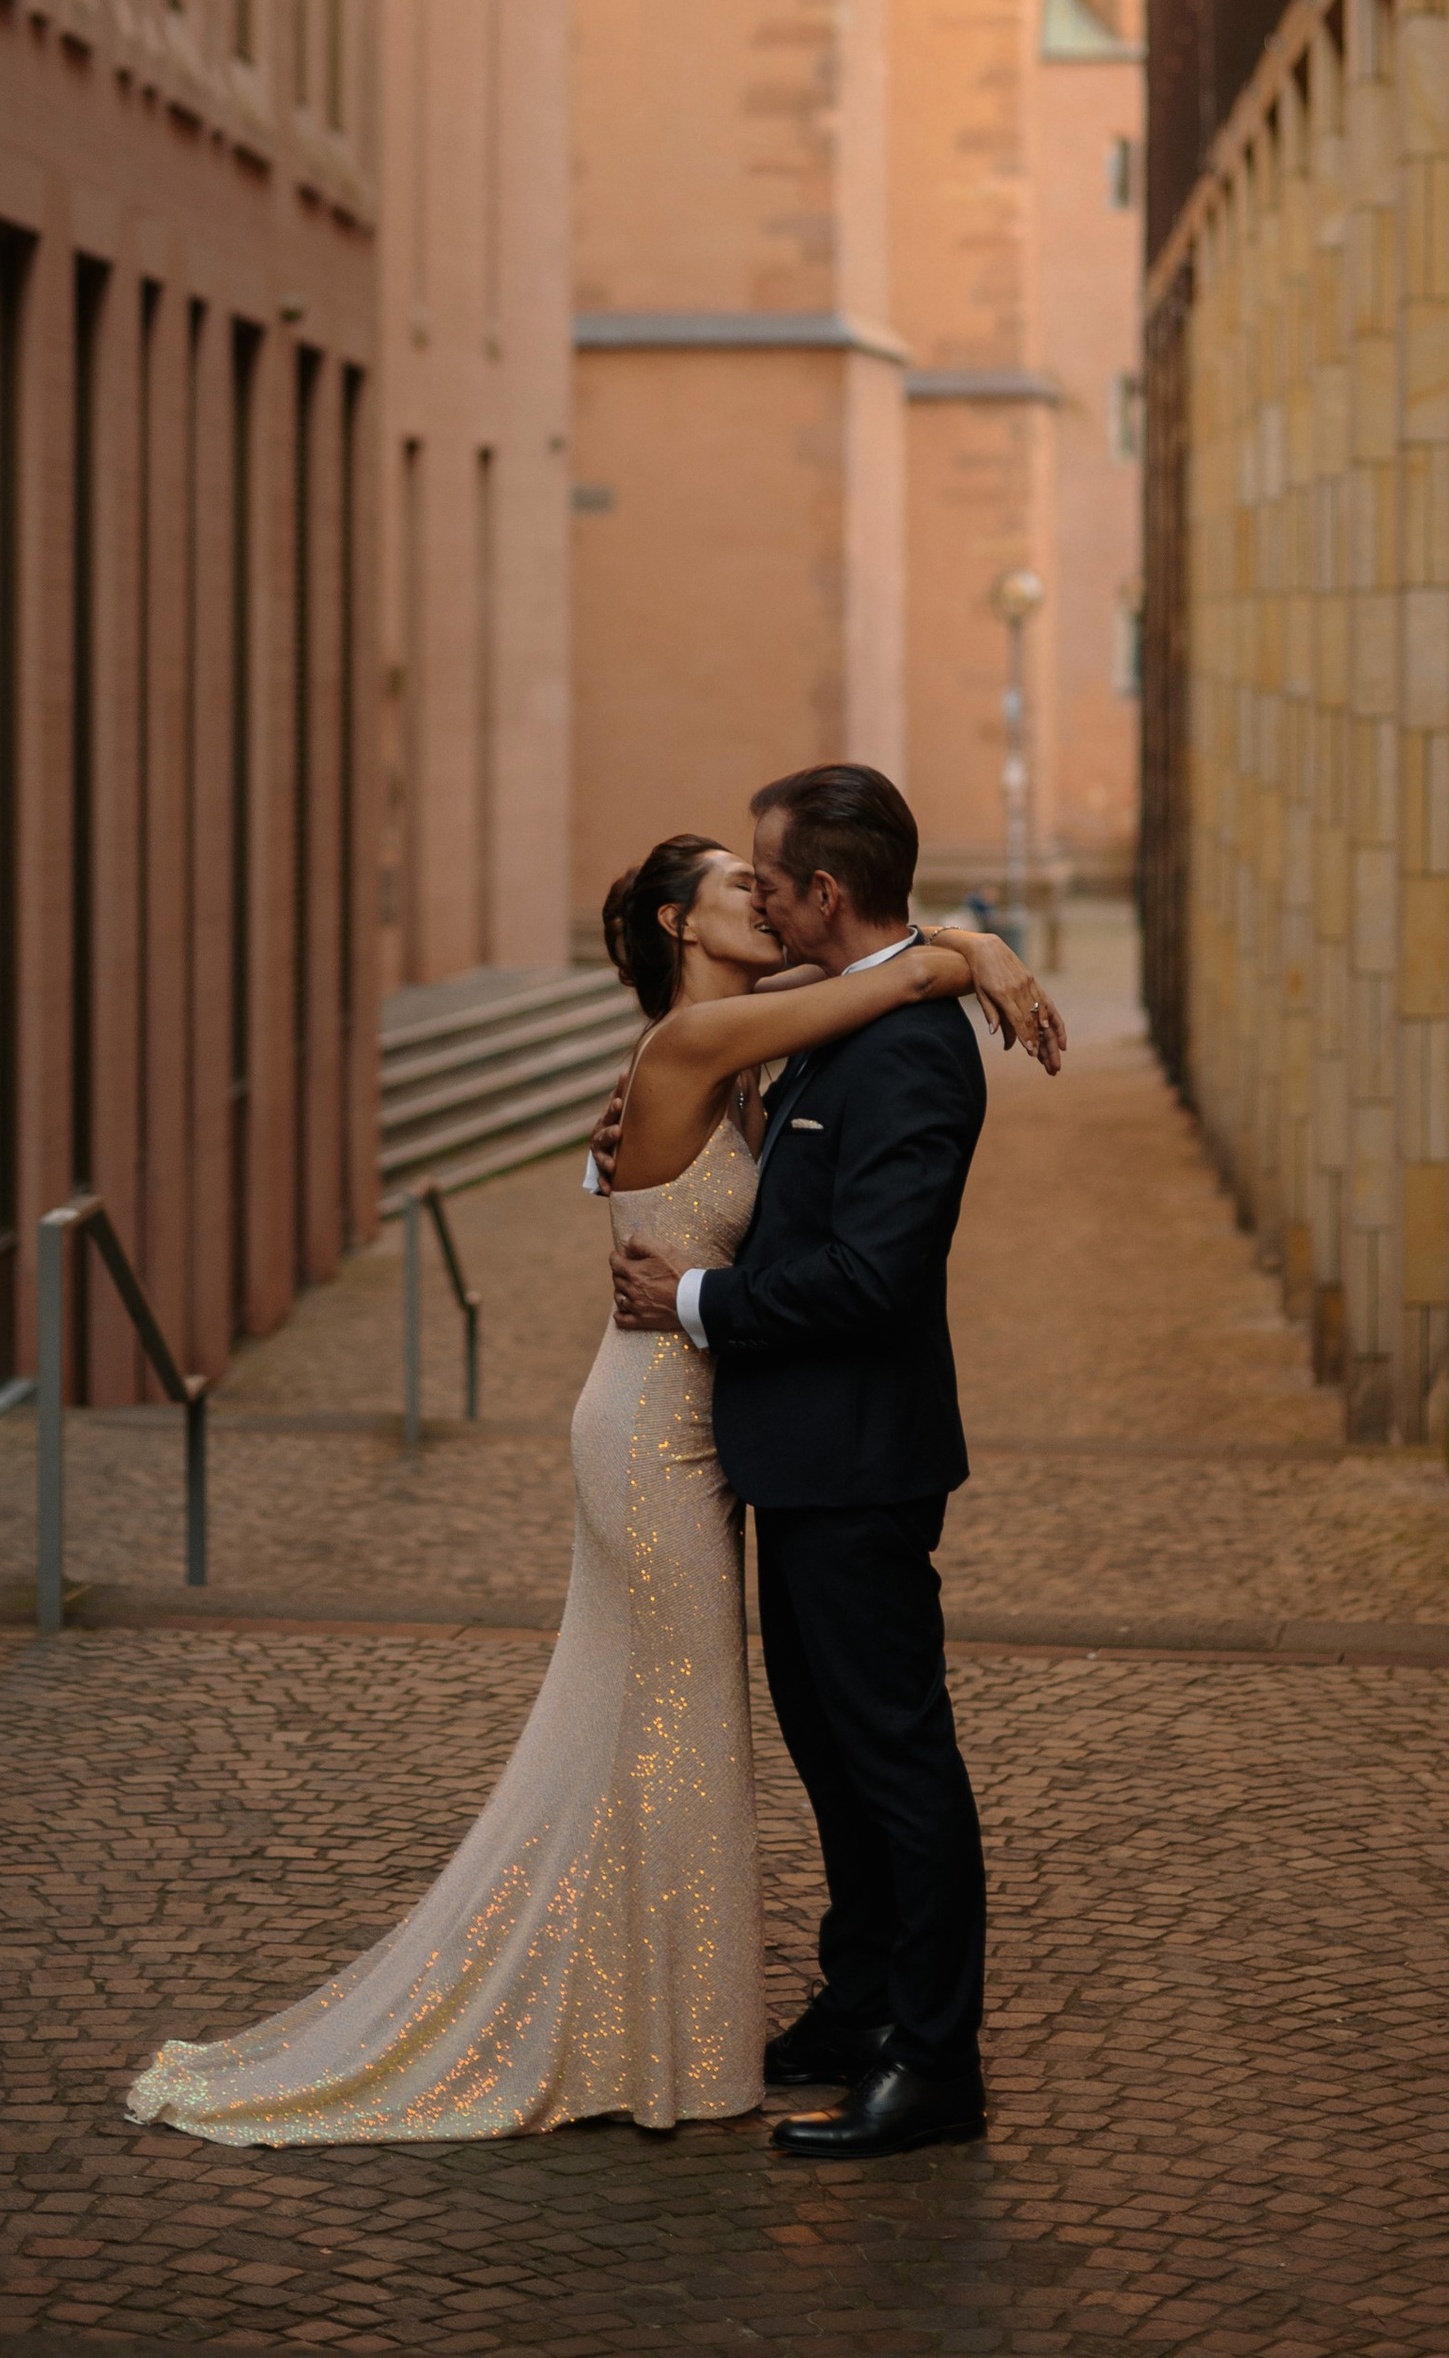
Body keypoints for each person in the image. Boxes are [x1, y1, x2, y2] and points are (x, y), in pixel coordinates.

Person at [123, 831, 1055, 2148]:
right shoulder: (699, 1044)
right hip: (654, 1435)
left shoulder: (744, 1040)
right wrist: (985, 950)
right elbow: (900, 976)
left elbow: (871, 984)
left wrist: (964, 947)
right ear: (681, 924)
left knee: (672, 1729)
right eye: (737, 884)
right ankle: (656, 2038)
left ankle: (679, 2022)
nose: (763, 899)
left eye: (770, 879)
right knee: (676, 1728)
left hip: (711, 1430)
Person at [611, 761, 999, 2161]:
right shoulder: (842, 1018)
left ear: (824, 890)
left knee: (895, 1757)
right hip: (798, 1456)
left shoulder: (911, 1050)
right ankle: (860, 1998)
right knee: (831, 1749)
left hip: (860, 1460)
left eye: (771, 881)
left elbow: (876, 1276)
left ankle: (934, 2063)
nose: (764, 904)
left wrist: (695, 1300)